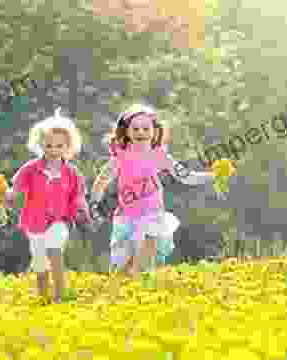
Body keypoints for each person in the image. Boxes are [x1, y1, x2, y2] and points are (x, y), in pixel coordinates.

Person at [90, 104, 214, 277]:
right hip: (126, 217)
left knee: (145, 257)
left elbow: (185, 176)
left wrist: (211, 176)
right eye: (136, 129)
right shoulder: (121, 156)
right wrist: (95, 202)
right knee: (122, 269)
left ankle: (139, 281)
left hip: (152, 214)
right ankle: (123, 288)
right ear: (126, 131)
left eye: (146, 128)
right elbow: (102, 180)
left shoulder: (159, 155)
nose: (141, 132)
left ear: (155, 131)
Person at [4, 108, 91, 303]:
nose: (53, 150)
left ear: (67, 146)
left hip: (60, 220)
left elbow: (78, 196)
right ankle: (44, 297)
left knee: (55, 249)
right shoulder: (30, 169)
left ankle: (60, 295)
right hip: (34, 221)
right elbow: (15, 189)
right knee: (39, 261)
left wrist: (85, 211)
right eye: (48, 145)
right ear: (41, 144)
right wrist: (5, 196)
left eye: (59, 146)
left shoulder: (72, 173)